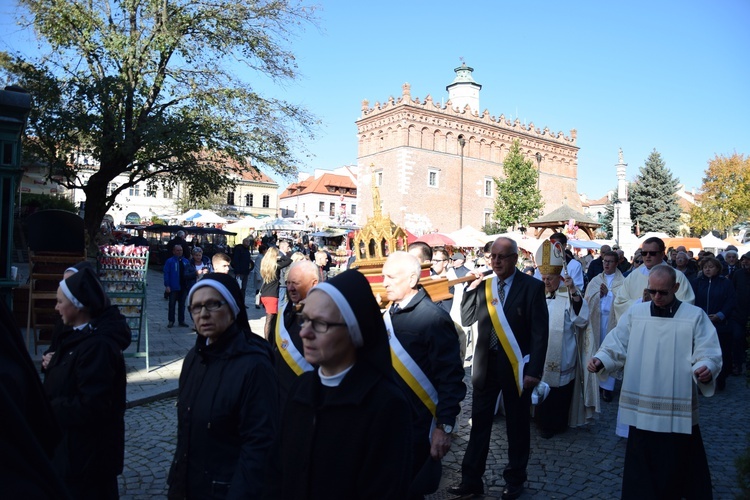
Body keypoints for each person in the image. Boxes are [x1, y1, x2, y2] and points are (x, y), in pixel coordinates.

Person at [264, 269, 412, 499]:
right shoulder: (301, 387)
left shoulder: (386, 404)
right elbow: (277, 470)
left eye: (320, 323)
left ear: (354, 330)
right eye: (304, 320)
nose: (304, 333)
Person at [588, 265, 721, 499]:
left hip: (676, 409)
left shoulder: (694, 316)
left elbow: (708, 350)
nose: (656, 297)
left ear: (676, 288)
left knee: (678, 463)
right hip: (642, 407)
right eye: (652, 292)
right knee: (641, 466)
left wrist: (706, 369)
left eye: (663, 292)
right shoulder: (636, 313)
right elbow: (617, 343)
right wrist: (601, 359)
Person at [449, 237, 548, 500]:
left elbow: (540, 333)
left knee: (517, 425)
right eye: (493, 256)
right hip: (486, 363)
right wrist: (470, 289)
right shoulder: (486, 285)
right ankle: (471, 479)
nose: (496, 261)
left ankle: (515, 479)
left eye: (502, 257)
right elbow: (468, 318)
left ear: (515, 259)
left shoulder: (532, 287)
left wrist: (534, 371)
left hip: (517, 367)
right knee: (479, 423)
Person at [168, 273, 278, 499]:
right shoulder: (194, 358)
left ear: (233, 308)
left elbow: (259, 446)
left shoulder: (255, 365)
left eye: (212, 304)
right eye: (196, 307)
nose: (204, 314)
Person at [382, 252, 466, 498]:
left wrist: (444, 427)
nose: (384, 281)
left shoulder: (433, 319)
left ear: (411, 280)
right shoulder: (389, 314)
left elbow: (450, 378)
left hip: (418, 427)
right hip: (389, 423)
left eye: (390, 277)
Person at [44, 267, 131, 499]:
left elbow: (93, 405)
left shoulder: (98, 346)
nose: (56, 307)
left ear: (78, 304)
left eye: (60, 301)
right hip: (72, 454)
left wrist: (46, 407)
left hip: (87, 461)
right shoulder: (75, 336)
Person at [535, 240, 591, 438]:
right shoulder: (538, 295)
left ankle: (556, 424)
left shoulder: (568, 295)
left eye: (549, 278)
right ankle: (540, 422)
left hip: (563, 354)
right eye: (543, 278)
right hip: (540, 352)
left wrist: (574, 291)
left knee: (558, 392)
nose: (546, 282)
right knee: (540, 387)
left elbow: (582, 319)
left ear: (559, 277)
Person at [612, 237, 695, 327]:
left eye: (652, 253)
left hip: (666, 329)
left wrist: (656, 303)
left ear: (662, 254)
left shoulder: (677, 276)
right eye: (644, 253)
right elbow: (619, 302)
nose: (647, 256)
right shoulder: (633, 276)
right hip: (638, 328)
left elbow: (686, 305)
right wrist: (641, 302)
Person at [271, 260, 320, 407]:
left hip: (305, 399)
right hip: (279, 397)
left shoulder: (323, 315)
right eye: (288, 282)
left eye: (296, 283)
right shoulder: (283, 312)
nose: (290, 288)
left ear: (314, 283)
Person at [690, 256, 737, 391]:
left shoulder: (725, 283)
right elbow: (693, 300)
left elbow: (731, 301)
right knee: (701, 352)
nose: (708, 269)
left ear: (717, 269)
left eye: (711, 267)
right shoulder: (697, 282)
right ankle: (701, 379)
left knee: (722, 352)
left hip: (721, 324)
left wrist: (720, 315)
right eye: (705, 267)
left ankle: (721, 378)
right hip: (701, 323)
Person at [583, 250, 624, 403]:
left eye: (610, 261)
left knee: (610, 351)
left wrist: (610, 295)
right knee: (596, 350)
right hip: (597, 319)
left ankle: (607, 388)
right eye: (604, 261)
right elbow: (588, 299)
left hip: (612, 321)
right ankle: (595, 385)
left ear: (617, 263)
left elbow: (624, 301)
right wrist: (598, 296)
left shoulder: (623, 281)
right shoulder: (595, 280)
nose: (606, 264)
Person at [260, 246, 293, 342]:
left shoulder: (265, 265)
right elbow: (289, 261)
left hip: (265, 294)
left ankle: (270, 339)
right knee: (270, 320)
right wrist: (281, 256)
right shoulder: (275, 266)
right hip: (272, 295)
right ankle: (268, 341)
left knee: (270, 320)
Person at [163, 244, 190, 328]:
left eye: (181, 250)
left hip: (183, 286)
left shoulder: (186, 261)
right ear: (174, 251)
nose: (179, 252)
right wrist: (167, 285)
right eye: (177, 250)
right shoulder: (170, 261)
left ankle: (181, 320)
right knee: (172, 304)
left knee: (182, 305)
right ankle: (171, 320)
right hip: (173, 286)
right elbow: (166, 273)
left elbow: (189, 273)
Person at [253, 244, 267, 309]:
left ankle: (262, 302)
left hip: (263, 276)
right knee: (258, 290)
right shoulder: (259, 257)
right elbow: (257, 267)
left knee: (263, 290)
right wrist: (258, 276)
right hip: (260, 276)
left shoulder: (263, 257)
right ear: (263, 250)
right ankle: (257, 303)